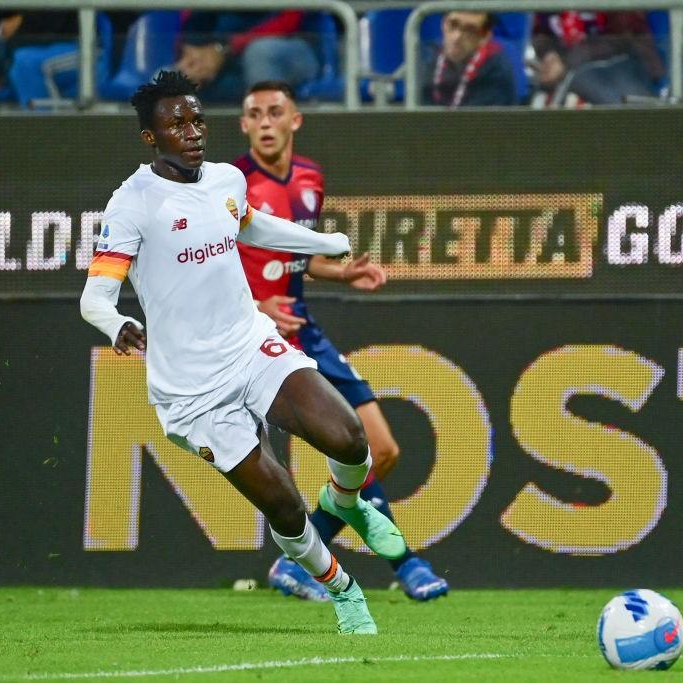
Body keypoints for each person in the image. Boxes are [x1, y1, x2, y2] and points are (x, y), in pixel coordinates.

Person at [80, 70, 406, 635]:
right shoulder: (132, 203)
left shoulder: (227, 179)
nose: (191, 131)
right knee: (283, 505)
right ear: (150, 138)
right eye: (175, 123)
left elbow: (253, 228)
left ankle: (349, 502)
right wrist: (116, 323)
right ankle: (343, 590)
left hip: (251, 346)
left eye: (197, 119)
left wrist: (324, 243)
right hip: (192, 392)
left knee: (350, 438)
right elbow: (95, 296)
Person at [235, 81, 450, 602]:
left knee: (382, 449)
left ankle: (300, 562)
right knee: (334, 449)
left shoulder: (310, 177)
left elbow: (293, 255)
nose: (265, 122)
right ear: (243, 126)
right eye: (254, 114)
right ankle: (406, 563)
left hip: (302, 326)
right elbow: (206, 260)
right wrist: (255, 307)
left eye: (274, 112)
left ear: (295, 120)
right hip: (252, 335)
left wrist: (340, 272)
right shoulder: (231, 185)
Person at [177, 11, 319, 104]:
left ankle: (269, 144)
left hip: (292, 48)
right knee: (167, 78)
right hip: (224, 55)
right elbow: (192, 21)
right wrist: (193, 56)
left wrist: (224, 49)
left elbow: (290, 21)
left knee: (259, 54)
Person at [531, 11, 664, 106]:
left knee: (580, 80)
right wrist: (549, 55)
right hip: (569, 69)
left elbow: (620, 39)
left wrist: (565, 64)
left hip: (625, 63)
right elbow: (541, 32)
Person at [421, 11, 517, 107]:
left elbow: (476, 120)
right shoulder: (430, 56)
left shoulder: (497, 70)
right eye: (453, 24)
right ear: (443, 23)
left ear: (485, 36)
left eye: (470, 30)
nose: (456, 37)